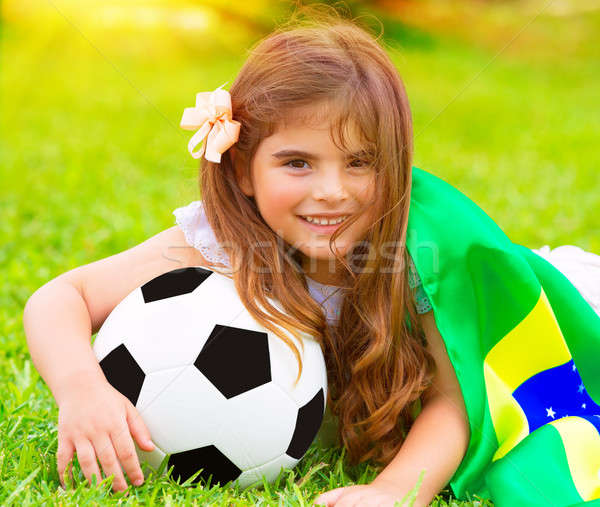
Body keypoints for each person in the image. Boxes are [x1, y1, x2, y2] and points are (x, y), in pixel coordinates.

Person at [22, 5, 600, 506]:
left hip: (562, 298)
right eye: (297, 163)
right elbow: (60, 297)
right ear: (244, 166)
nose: (332, 191)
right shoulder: (220, 240)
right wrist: (82, 388)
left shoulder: (417, 253)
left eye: (359, 162)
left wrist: (397, 489)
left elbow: (454, 401)